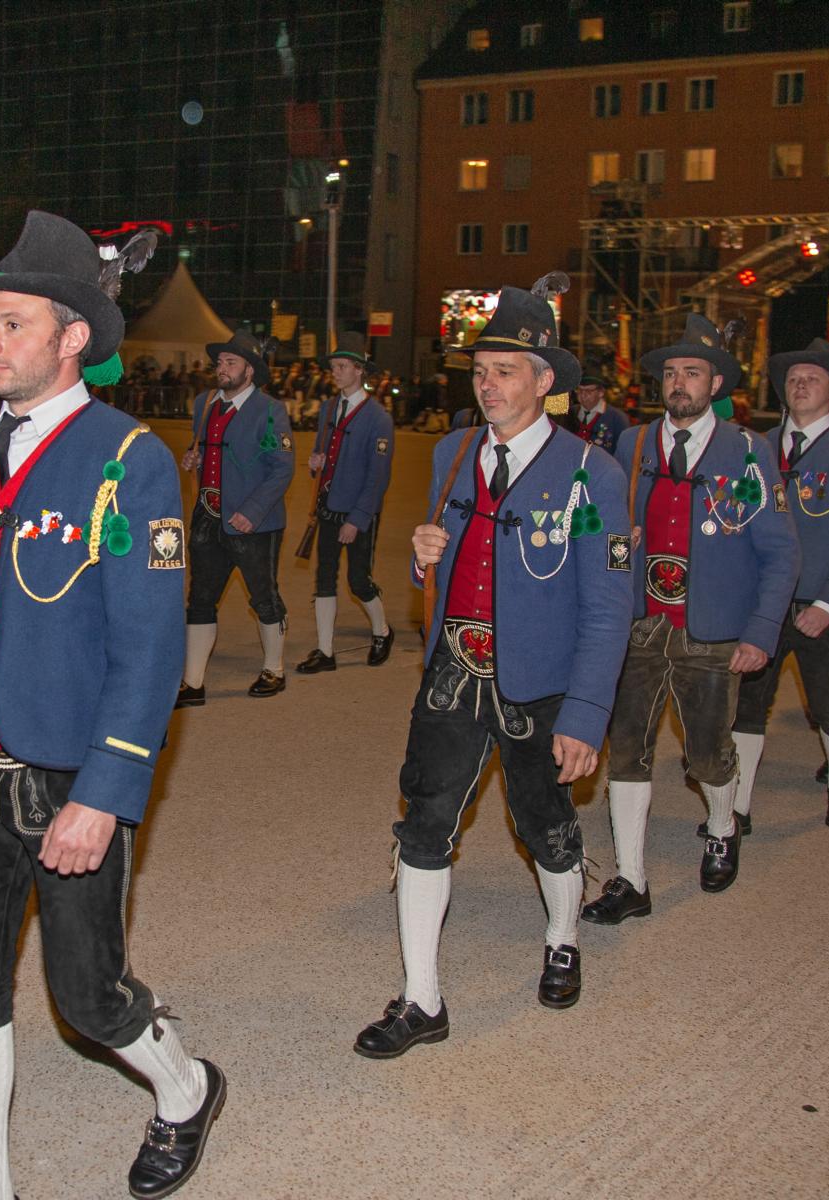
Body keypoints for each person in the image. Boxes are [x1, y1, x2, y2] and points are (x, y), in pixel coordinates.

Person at [0, 211, 224, 1200]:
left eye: (11, 324)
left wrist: (105, 794)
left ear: (73, 336)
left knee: (86, 997)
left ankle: (186, 1088)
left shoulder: (132, 461)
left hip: (73, 769)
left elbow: (150, 650)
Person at [354, 276, 631, 1058]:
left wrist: (584, 715)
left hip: (542, 682)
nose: (488, 385)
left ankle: (563, 933)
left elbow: (609, 607)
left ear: (546, 382)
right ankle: (420, 998)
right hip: (454, 668)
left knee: (545, 827)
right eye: (480, 371)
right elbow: (442, 566)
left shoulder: (592, 474)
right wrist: (420, 562)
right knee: (423, 824)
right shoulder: (450, 454)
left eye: (506, 371)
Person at [585, 314, 798, 924]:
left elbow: (781, 553)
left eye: (693, 373)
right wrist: (607, 600)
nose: (679, 383)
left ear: (716, 384)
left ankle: (722, 824)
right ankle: (631, 878)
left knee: (707, 750)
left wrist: (760, 633)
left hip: (713, 626)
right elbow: (617, 532)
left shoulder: (750, 451)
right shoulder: (630, 444)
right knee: (626, 749)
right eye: (671, 373)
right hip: (639, 623)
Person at [729, 339, 829, 831]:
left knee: (828, 702)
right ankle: (739, 803)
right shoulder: (756, 447)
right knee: (748, 704)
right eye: (793, 378)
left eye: (812, 378)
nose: (800, 384)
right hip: (760, 606)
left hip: (817, 605)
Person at [175, 329, 294, 704]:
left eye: (230, 362)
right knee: (200, 598)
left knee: (264, 597)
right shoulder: (205, 403)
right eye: (219, 362)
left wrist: (252, 512)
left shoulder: (271, 411)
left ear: (250, 370)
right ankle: (193, 683)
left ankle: (274, 669)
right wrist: (192, 458)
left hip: (254, 523)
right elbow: (204, 448)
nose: (221, 368)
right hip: (208, 516)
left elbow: (282, 469)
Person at [295, 332, 394, 675]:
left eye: (340, 366)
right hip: (328, 506)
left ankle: (382, 632)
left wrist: (358, 518)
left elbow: (377, 477)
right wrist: (316, 463)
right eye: (333, 366)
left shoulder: (378, 418)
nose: (334, 372)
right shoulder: (329, 408)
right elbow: (326, 454)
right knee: (324, 577)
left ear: (358, 370)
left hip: (356, 513)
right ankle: (325, 650)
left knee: (358, 579)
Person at [555, 357, 631, 453]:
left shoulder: (617, 418)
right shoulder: (568, 414)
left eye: (589, 391)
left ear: (601, 392)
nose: (583, 395)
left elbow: (624, 453)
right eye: (580, 390)